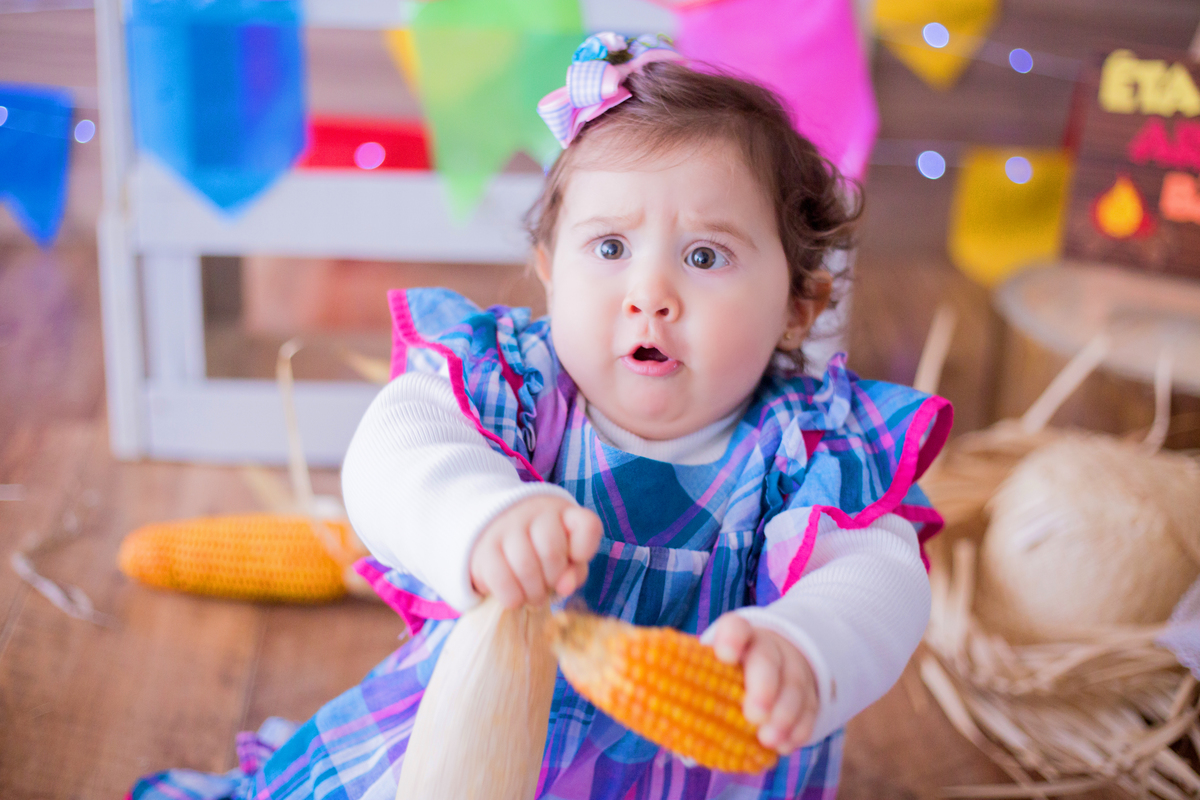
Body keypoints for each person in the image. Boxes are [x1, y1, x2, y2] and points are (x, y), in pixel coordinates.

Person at [130, 32, 951, 800]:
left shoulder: (806, 452)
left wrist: (807, 649)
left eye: (705, 256)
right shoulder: (520, 390)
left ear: (799, 307)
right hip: (474, 749)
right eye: (609, 248)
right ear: (549, 272)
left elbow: (880, 577)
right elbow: (394, 450)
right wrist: (479, 516)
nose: (649, 294)